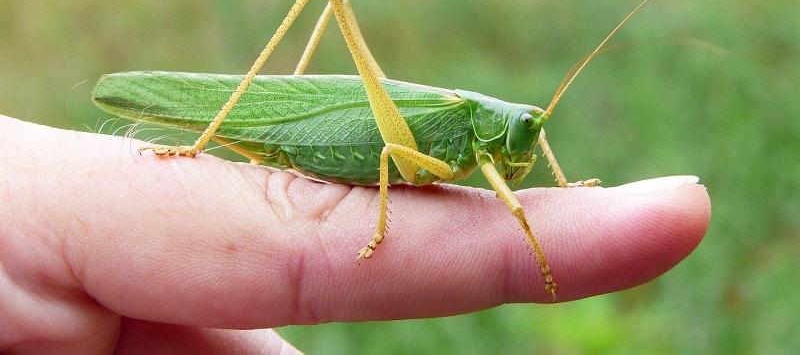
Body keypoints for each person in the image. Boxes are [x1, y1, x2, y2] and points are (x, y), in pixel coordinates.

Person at [0, 115, 710, 353]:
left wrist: (563, 182)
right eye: (524, 130)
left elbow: (517, 164)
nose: (528, 140)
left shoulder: (498, 140)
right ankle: (206, 133)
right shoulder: (459, 125)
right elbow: (389, 157)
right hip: (362, 144)